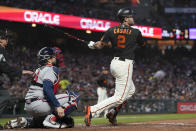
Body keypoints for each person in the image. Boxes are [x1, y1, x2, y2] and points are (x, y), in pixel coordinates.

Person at [84, 7, 144, 126]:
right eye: (131, 16)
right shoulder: (136, 32)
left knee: (131, 90)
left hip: (114, 64)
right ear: (125, 19)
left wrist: (93, 46)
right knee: (120, 97)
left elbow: (100, 44)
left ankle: (112, 113)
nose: (133, 18)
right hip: (125, 64)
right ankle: (93, 110)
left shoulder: (111, 30)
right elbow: (142, 45)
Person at [4, 47, 79, 129]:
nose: (55, 57)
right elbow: (47, 89)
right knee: (74, 96)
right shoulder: (50, 69)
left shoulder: (38, 70)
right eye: (53, 56)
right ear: (49, 60)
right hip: (39, 104)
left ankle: (27, 122)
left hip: (29, 105)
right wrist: (57, 106)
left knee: (42, 123)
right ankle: (51, 119)